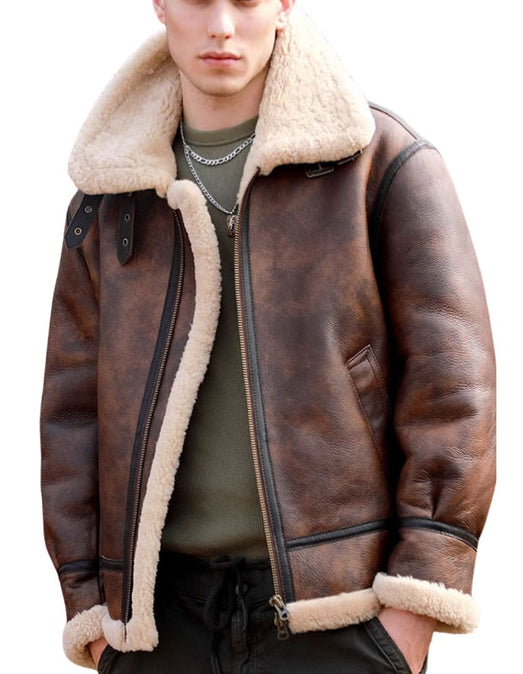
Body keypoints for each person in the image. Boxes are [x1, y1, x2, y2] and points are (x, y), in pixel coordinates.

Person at [40, 1, 496, 673]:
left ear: (283, 5)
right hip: (158, 628)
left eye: (247, 1)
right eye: (199, 0)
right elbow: (72, 413)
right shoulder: (110, 193)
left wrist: (412, 610)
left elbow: (452, 391)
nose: (222, 26)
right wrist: (90, 608)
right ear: (160, 4)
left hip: (340, 614)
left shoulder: (380, 163)